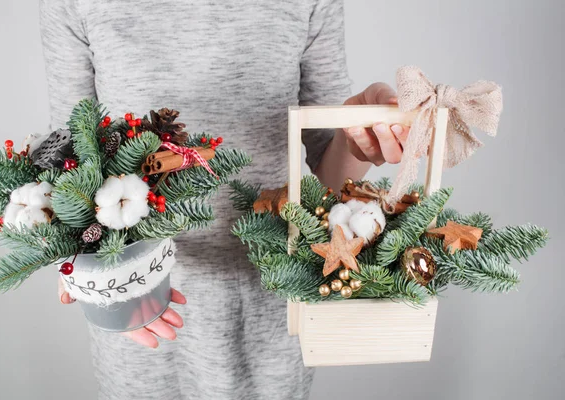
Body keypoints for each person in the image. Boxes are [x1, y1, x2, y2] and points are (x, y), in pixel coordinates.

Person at [41, 0, 410, 399]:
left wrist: (360, 138)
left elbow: (329, 165)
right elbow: (68, 157)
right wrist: (88, 269)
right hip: (143, 298)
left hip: (273, 303)